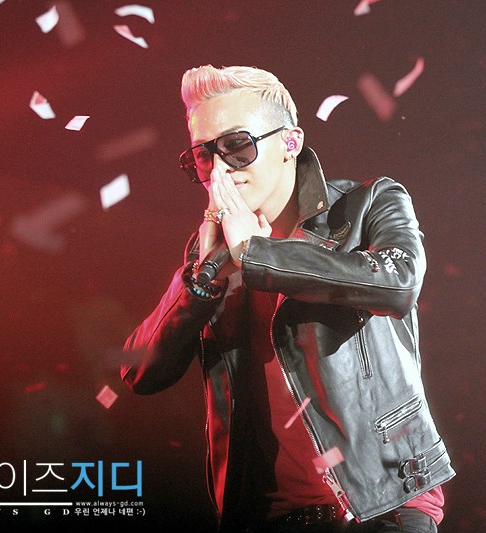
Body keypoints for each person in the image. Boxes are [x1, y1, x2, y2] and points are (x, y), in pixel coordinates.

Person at [121, 64, 455, 533]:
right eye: (203, 155)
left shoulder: (366, 204)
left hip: (382, 506)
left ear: (290, 143)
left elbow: (398, 283)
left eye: (237, 146)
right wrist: (202, 280)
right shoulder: (209, 253)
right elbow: (139, 372)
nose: (219, 170)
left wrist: (258, 254)